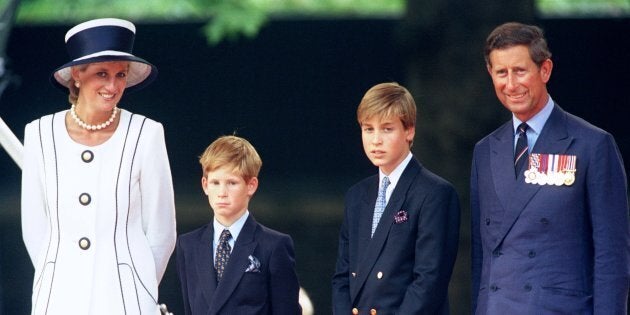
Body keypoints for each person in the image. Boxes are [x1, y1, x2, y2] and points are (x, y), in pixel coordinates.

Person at [471, 22, 630, 314]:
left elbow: (612, 256)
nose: (511, 84)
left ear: (545, 70)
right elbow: (483, 257)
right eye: (501, 73)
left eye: (520, 71)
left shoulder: (592, 145)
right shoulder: (485, 151)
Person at [21, 18, 176, 314]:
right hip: (58, 296)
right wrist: (57, 275)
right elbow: (34, 227)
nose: (112, 85)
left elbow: (162, 231)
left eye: (121, 74)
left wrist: (138, 285)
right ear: (77, 75)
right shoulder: (39, 133)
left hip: (127, 298)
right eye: (101, 74)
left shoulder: (146, 133)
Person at [332, 82, 461, 314]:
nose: (376, 140)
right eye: (368, 129)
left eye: (387, 129)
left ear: (409, 130)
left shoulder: (436, 194)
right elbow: (343, 277)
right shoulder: (356, 196)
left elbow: (428, 283)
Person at [176, 135, 301, 315]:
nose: (222, 192)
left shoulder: (273, 246)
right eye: (215, 183)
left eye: (232, 183)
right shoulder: (188, 245)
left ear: (251, 185)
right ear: (205, 185)